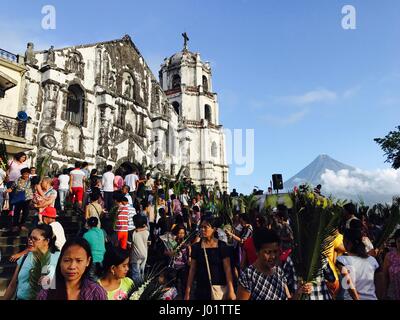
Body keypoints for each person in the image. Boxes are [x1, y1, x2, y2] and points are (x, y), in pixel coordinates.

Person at [237, 228, 311, 300]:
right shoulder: (248, 276)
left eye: (275, 251)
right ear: (257, 251)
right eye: (268, 252)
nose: (273, 256)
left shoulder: (279, 272)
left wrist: (299, 292)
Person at [37, 238, 107, 300]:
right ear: (60, 261)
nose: (72, 266)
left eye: (79, 261)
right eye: (67, 260)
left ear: (88, 261)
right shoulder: (46, 293)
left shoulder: (96, 292)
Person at [3, 224, 60, 300]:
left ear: (46, 241)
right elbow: (12, 285)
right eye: (30, 238)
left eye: (35, 239)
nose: (30, 241)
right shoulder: (25, 257)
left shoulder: (57, 258)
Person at [185, 216, 236, 300]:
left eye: (205, 227)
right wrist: (188, 291)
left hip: (218, 288)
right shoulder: (196, 247)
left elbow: (227, 269)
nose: (202, 229)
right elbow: (192, 270)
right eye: (201, 227)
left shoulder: (222, 246)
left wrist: (231, 289)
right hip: (201, 289)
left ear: (214, 229)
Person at [336, 227, 379, 300]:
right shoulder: (372, 260)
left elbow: (348, 283)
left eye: (343, 241)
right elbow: (379, 283)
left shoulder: (342, 260)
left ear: (347, 243)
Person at [7, 167, 33, 232]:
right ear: (22, 174)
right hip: (19, 198)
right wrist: (8, 190)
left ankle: (22, 225)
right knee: (17, 212)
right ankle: (15, 225)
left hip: (27, 198)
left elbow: (36, 185)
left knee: (25, 213)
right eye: (25, 174)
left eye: (27, 174)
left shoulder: (31, 180)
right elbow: (12, 188)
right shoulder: (17, 180)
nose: (26, 175)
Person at [131, 214, 149, 284]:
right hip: (145, 255)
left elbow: (130, 245)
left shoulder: (133, 233)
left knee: (135, 274)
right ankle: (141, 288)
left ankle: (136, 290)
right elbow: (149, 244)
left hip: (135, 257)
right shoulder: (147, 232)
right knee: (142, 272)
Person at [382, 229, 400, 300]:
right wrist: (384, 294)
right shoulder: (389, 256)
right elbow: (385, 277)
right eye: (399, 241)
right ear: (395, 241)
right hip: (393, 294)